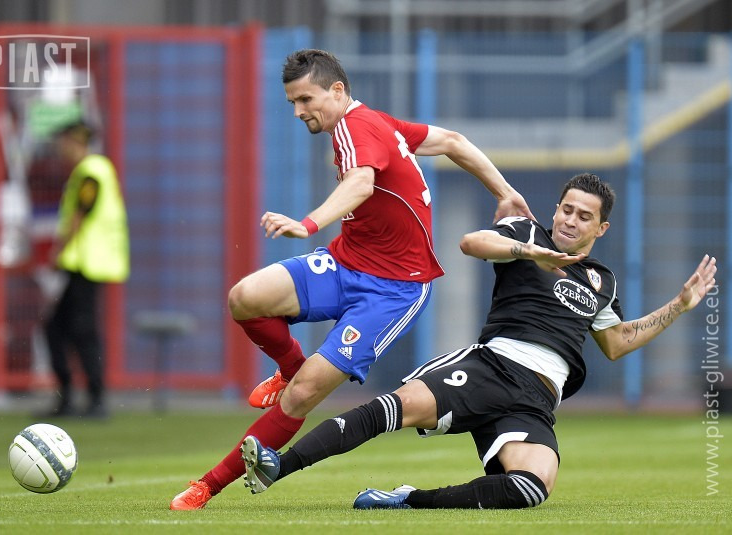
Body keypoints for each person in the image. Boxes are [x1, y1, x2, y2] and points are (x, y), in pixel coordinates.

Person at [170, 48, 533, 509]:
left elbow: (361, 183)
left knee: (303, 395)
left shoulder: (354, 126)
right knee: (246, 297)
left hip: (394, 290)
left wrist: (307, 223)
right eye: (292, 103)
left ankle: (207, 486)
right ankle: (289, 366)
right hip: (347, 263)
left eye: (306, 99)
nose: (299, 111)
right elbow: (453, 141)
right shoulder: (377, 123)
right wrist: (506, 192)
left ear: (337, 90)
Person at [240, 172, 717, 510]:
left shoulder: (602, 281)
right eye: (566, 210)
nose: (571, 221)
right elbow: (471, 242)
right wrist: (528, 251)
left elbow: (616, 343)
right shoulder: (527, 233)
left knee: (531, 488)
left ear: (601, 228)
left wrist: (678, 306)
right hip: (492, 366)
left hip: (537, 399)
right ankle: (278, 465)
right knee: (392, 410)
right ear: (556, 210)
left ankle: (409, 500)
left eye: (584, 216)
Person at [41, 120, 129, 419]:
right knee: (57, 328)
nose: (59, 147)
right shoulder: (92, 170)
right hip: (84, 262)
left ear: (73, 141)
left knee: (80, 330)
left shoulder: (92, 171)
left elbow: (81, 212)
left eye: (62, 141)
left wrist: (59, 249)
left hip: (89, 263)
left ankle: (94, 398)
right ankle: (73, 397)